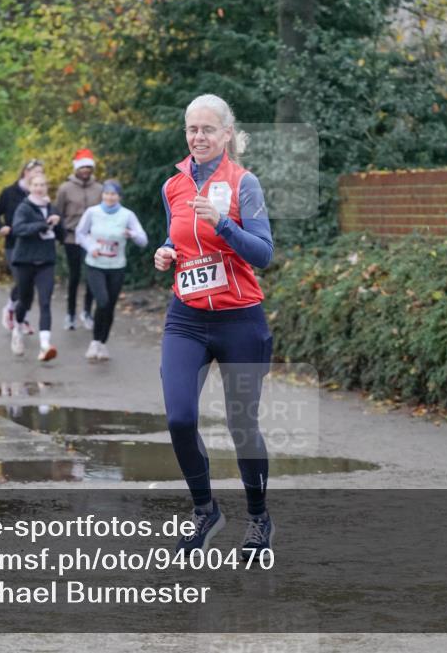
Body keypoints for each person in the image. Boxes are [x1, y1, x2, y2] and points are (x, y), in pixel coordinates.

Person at [154, 94, 275, 558]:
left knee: (242, 424)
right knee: (180, 418)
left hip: (239, 319)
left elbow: (263, 253)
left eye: (207, 129)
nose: (198, 137)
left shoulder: (244, 183)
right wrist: (166, 252)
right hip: (186, 318)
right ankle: (205, 510)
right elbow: (176, 237)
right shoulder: (173, 186)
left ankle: (258, 518)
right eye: (192, 129)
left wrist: (223, 223)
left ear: (226, 133)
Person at [76, 179, 148, 361]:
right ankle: (94, 341)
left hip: (116, 267)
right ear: (102, 195)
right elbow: (80, 233)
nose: (109, 197)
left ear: (119, 196)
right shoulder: (92, 212)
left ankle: (102, 343)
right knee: (102, 301)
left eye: (113, 194)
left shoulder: (127, 215)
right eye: (106, 193)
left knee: (110, 306)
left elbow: (143, 240)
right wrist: (90, 246)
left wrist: (131, 234)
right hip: (95, 265)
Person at [9, 172, 62, 362]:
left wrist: (58, 224)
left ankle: (45, 345)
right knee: (25, 300)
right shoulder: (24, 207)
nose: (39, 188)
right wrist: (42, 224)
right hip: (25, 261)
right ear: (30, 187)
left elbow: (60, 234)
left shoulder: (51, 207)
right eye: (36, 185)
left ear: (47, 187)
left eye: (43, 185)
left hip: (46, 261)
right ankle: (17, 327)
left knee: (45, 301)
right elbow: (18, 229)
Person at [0, 159, 43, 335]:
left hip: (34, 246)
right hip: (13, 244)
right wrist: (1, 227)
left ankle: (22, 317)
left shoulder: (41, 196)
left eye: (41, 172)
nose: (38, 175)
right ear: (25, 172)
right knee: (22, 282)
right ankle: (10, 309)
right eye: (35, 172)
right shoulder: (9, 192)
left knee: (29, 283)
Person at [55, 148, 100, 330]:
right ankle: (70, 314)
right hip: (72, 238)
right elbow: (58, 213)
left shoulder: (99, 189)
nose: (85, 170)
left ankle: (87, 312)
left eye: (88, 167)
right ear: (76, 169)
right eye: (82, 167)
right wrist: (60, 236)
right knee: (74, 276)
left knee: (91, 275)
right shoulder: (65, 188)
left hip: (92, 238)